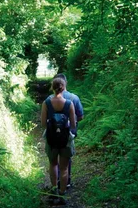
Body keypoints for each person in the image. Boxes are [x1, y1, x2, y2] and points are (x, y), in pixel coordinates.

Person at [41, 77, 76, 206]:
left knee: (53, 164)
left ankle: (53, 190)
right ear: (64, 87)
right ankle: (62, 194)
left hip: (51, 139)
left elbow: (44, 124)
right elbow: (73, 125)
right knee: (64, 167)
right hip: (65, 140)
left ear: (52, 87)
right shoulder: (69, 103)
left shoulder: (46, 103)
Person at [53, 73, 84, 188]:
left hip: (53, 134)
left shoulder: (49, 100)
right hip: (69, 133)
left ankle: (55, 184)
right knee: (66, 159)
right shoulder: (74, 98)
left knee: (54, 160)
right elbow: (80, 116)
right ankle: (66, 182)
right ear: (65, 83)